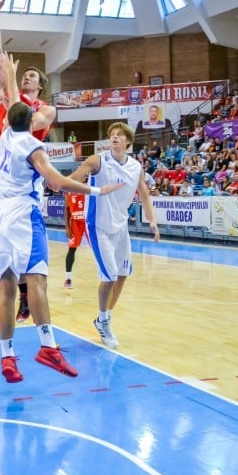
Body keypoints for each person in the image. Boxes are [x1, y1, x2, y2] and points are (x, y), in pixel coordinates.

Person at [0, 56, 122, 383]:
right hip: (23, 215)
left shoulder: (5, 136)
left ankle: (7, 356)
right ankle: (47, 346)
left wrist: (11, 75)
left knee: (6, 288)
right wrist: (95, 190)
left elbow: (14, 105)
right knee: (37, 281)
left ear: (8, 119)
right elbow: (56, 183)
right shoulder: (33, 147)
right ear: (32, 119)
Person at [0, 0, 57, 326]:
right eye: (24, 75)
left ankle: (29, 296)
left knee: (26, 242)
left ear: (40, 86)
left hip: (27, 180)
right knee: (7, 245)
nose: (26, 77)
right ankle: (22, 295)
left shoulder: (47, 109)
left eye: (32, 77)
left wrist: (7, 94)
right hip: (0, 175)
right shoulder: (7, 95)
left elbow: (23, 120)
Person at [69, 122, 160, 350]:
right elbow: (73, 180)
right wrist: (71, 182)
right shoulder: (98, 161)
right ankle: (104, 321)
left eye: (119, 135)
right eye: (112, 135)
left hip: (120, 228)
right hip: (98, 226)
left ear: (128, 142)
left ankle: (103, 318)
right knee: (108, 277)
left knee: (122, 275)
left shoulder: (135, 166)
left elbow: (145, 194)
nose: (115, 138)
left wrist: (152, 221)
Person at [63, 191, 86, 289]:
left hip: (88, 221)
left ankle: (105, 276)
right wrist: (67, 227)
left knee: (100, 248)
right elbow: (67, 209)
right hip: (75, 223)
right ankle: (68, 278)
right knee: (72, 249)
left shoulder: (90, 185)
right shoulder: (69, 191)